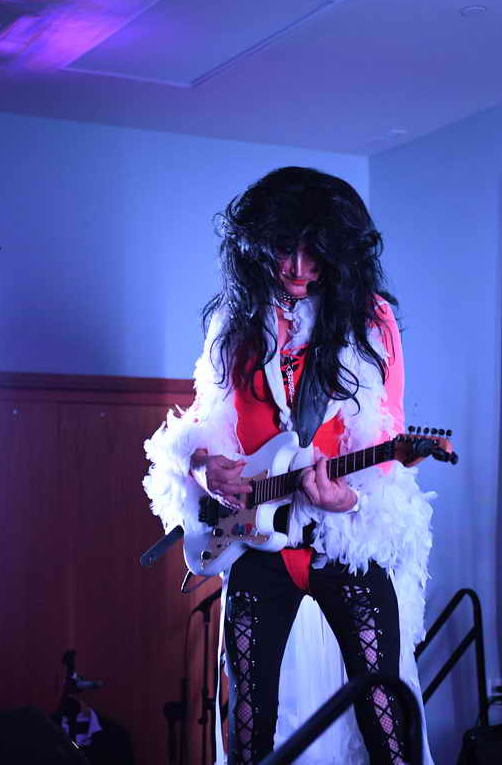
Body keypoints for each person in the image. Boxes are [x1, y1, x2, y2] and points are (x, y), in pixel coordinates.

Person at [144, 167, 435, 765]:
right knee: (249, 724)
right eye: (284, 249)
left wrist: (348, 500)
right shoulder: (234, 324)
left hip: (344, 541)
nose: (299, 268)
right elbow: (202, 425)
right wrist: (202, 469)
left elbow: (386, 439)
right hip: (256, 543)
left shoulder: (371, 321)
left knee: (384, 716)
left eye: (315, 251)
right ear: (256, 248)